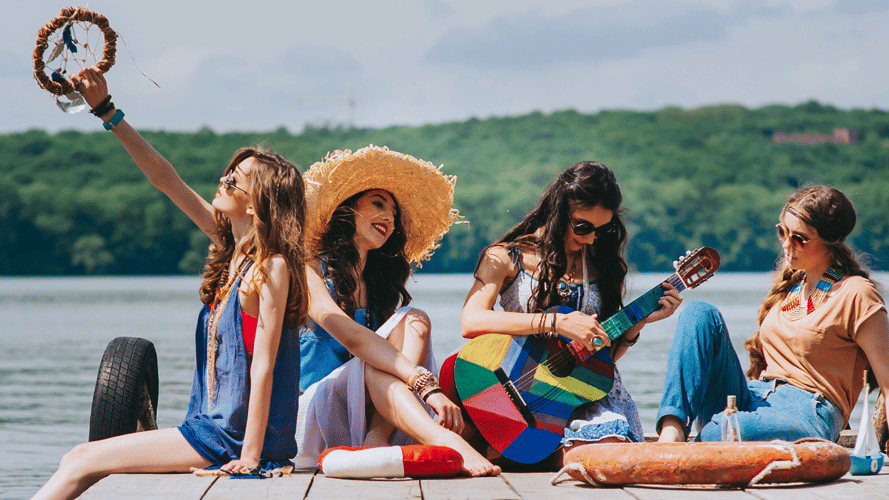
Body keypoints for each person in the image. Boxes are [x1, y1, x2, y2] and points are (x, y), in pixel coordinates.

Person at [33, 67, 307, 500]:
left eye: (234, 179)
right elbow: (165, 179)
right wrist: (107, 111)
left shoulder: (271, 268)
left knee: (81, 458)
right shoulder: (232, 250)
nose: (223, 179)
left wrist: (252, 455)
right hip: (209, 428)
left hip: (230, 438)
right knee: (80, 462)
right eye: (226, 172)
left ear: (257, 205)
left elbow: (265, 364)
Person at [451, 160, 682, 468]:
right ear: (559, 211)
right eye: (583, 227)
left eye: (602, 230)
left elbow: (602, 362)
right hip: (515, 390)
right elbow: (471, 321)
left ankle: (526, 455)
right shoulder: (506, 257)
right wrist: (555, 321)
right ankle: (527, 450)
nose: (589, 239)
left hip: (583, 395)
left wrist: (633, 326)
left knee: (607, 452)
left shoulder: (604, 267)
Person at [293, 145, 500, 476]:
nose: (389, 217)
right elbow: (352, 338)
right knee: (384, 352)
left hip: (363, 412)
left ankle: (379, 434)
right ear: (348, 209)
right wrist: (425, 385)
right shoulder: (310, 267)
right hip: (311, 415)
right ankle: (446, 441)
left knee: (409, 323)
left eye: (393, 213)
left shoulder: (378, 286)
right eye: (377, 203)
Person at [657, 186, 889, 443]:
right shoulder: (791, 287)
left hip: (808, 411)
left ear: (829, 241)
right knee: (699, 312)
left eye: (799, 238)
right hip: (755, 397)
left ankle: (701, 442)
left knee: (720, 430)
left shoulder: (856, 293)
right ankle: (672, 431)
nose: (786, 245)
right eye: (782, 232)